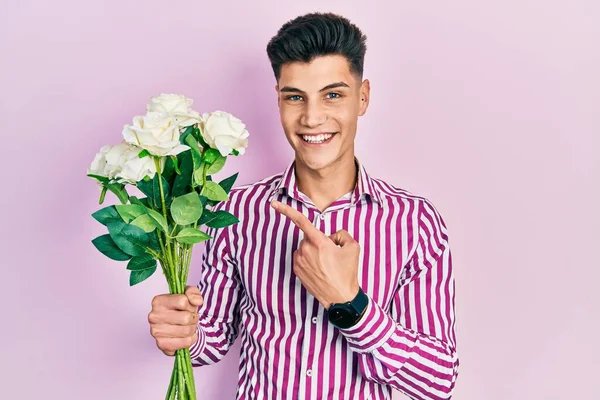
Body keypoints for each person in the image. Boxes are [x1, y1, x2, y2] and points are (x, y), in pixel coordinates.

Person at [148, 12, 459, 400]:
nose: (312, 118)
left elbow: (437, 380)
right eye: (295, 97)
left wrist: (349, 303)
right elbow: (211, 339)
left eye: (333, 95)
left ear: (362, 98)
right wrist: (182, 331)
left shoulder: (415, 223)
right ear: (277, 98)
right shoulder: (236, 213)